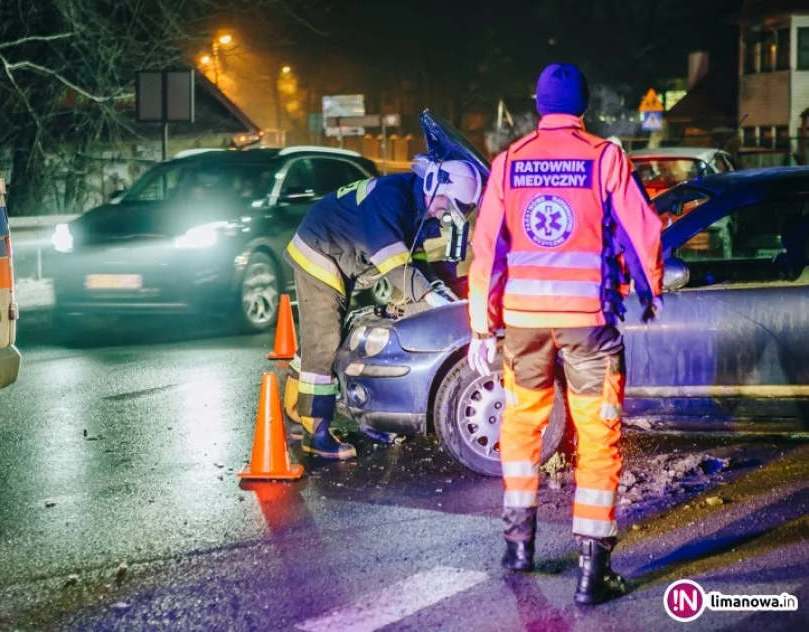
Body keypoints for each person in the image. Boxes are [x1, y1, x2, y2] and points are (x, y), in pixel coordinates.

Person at [466, 63, 663, 605]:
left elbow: (486, 251)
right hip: (587, 323)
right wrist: (651, 288)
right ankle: (591, 574)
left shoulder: (508, 162)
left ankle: (518, 548)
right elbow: (643, 230)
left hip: (523, 323)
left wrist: (482, 326)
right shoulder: (604, 158)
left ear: (538, 105)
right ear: (584, 107)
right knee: (597, 436)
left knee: (521, 426)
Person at [283, 160, 482, 459]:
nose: (443, 214)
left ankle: (295, 417)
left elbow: (416, 261)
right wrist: (429, 296)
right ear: (434, 184)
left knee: (316, 341)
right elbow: (394, 264)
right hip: (319, 250)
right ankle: (316, 435)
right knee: (323, 342)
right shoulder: (391, 198)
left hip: (335, 251)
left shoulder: (417, 205)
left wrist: (440, 288)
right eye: (446, 205)